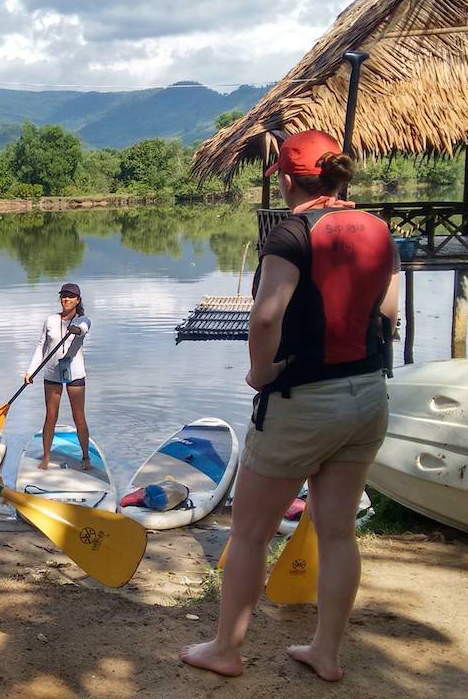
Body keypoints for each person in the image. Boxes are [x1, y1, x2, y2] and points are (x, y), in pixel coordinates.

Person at [180, 130, 400, 682]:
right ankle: (327, 652)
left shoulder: (292, 233)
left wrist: (259, 372)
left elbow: (264, 316)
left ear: (283, 177)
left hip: (303, 398)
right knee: (338, 531)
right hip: (368, 393)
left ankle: (227, 649)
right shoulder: (378, 228)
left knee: (250, 532)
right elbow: (390, 310)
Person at [24, 283, 92, 470]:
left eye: (71, 296)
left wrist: (76, 330)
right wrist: (30, 371)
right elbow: (41, 347)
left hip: (75, 374)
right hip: (52, 373)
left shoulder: (83, 320)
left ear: (78, 300)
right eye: (64, 296)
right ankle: (46, 457)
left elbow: (84, 328)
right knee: (50, 416)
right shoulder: (51, 320)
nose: (66, 299)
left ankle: (85, 457)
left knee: (78, 417)